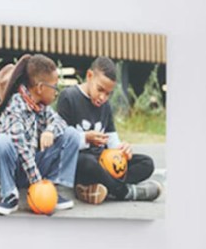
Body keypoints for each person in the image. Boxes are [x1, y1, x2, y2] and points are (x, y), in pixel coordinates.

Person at [56, 56, 161, 205]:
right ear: (89, 76)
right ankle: (124, 192)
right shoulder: (69, 97)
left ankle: (96, 189)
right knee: (88, 162)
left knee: (146, 163)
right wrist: (86, 138)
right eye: (100, 89)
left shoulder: (105, 106)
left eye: (108, 93)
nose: (103, 97)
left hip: (104, 163)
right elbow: (61, 143)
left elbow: (112, 142)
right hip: (80, 164)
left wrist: (123, 150)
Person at [0, 54, 79, 215]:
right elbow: (21, 149)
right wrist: (38, 184)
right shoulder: (15, 107)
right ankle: (9, 195)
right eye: (54, 86)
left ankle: (51, 189)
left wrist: (50, 130)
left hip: (34, 166)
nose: (56, 92)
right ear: (40, 87)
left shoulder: (41, 106)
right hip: (16, 169)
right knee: (0, 142)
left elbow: (60, 122)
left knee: (71, 134)